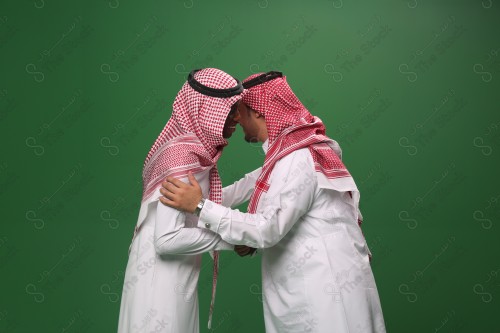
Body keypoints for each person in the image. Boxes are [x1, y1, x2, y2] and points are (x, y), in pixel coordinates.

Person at [160, 71, 387, 332]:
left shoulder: (296, 159)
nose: (236, 119)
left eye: (240, 111)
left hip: (327, 294)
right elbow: (252, 185)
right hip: (314, 291)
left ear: (258, 112)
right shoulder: (289, 155)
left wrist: (200, 207)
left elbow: (267, 228)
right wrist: (200, 198)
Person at [117, 68, 246, 333]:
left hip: (174, 281)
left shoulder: (190, 152)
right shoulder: (180, 161)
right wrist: (233, 239)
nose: (237, 118)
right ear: (205, 109)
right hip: (157, 288)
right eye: (230, 110)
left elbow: (206, 203)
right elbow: (166, 240)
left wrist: (261, 178)